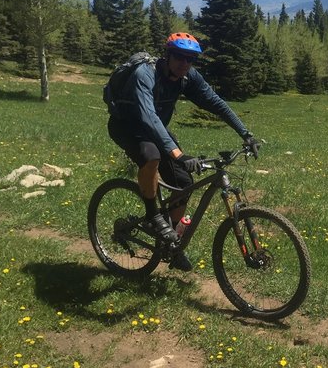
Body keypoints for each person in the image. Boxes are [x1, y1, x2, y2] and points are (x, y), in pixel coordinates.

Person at [107, 32, 258, 271]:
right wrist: (177, 154)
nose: (184, 63)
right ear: (168, 54)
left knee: (183, 182)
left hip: (157, 131)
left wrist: (246, 134)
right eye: (179, 56)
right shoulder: (144, 74)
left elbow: (216, 103)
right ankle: (153, 216)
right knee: (151, 156)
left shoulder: (188, 77)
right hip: (128, 126)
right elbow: (149, 117)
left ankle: (170, 243)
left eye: (191, 59)